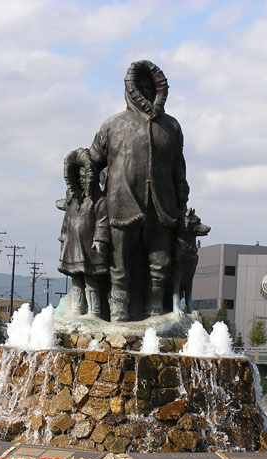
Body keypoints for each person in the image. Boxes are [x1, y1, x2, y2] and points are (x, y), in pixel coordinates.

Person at [89, 60, 190, 321]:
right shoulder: (112, 125)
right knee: (119, 265)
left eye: (150, 86)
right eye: (140, 86)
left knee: (161, 264)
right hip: (122, 203)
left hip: (162, 206)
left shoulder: (171, 127)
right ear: (130, 90)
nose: (145, 91)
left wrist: (181, 198)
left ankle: (156, 309)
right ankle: (119, 310)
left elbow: (179, 169)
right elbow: (92, 161)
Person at [58, 148, 110, 317]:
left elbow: (102, 221)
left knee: (91, 279)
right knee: (76, 279)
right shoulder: (73, 201)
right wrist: (64, 235)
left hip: (90, 248)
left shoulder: (99, 201)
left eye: (84, 177)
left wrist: (100, 239)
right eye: (78, 178)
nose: (81, 181)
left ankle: (94, 311)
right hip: (73, 246)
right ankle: (77, 309)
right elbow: (67, 221)